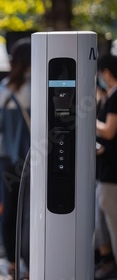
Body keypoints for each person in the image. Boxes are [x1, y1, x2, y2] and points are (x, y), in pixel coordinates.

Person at [0, 38, 31, 280]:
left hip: (7, 159)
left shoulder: (3, 88)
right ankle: (32, 264)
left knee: (9, 210)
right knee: (32, 212)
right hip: (34, 157)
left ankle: (12, 264)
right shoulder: (40, 86)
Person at [95, 53, 117, 280]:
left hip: (111, 173)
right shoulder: (109, 95)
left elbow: (109, 130)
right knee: (101, 220)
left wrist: (90, 120)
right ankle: (107, 260)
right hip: (105, 171)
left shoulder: (116, 96)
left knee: (112, 222)